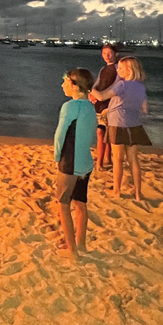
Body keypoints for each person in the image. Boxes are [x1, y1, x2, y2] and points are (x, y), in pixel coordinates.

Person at [89, 56, 151, 201]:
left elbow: (102, 96)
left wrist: (90, 88)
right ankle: (138, 193)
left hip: (117, 123)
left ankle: (117, 191)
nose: (118, 70)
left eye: (121, 68)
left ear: (129, 70)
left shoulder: (121, 85)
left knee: (117, 159)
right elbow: (145, 108)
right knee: (133, 160)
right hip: (134, 124)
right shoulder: (141, 87)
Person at [54, 68, 98, 260]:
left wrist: (57, 157)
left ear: (74, 86)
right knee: (80, 203)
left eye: (65, 82)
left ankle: (71, 250)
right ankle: (81, 244)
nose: (63, 85)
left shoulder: (70, 106)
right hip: (86, 162)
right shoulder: (89, 106)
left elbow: (60, 134)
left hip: (70, 161)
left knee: (63, 204)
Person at [91, 44, 118, 170]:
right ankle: (106, 158)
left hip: (110, 104)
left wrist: (101, 96)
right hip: (99, 104)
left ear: (115, 54)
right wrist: (92, 95)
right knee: (105, 133)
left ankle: (100, 163)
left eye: (109, 53)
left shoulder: (118, 68)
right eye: (104, 53)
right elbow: (97, 84)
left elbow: (116, 87)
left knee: (101, 132)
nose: (107, 56)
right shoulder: (103, 69)